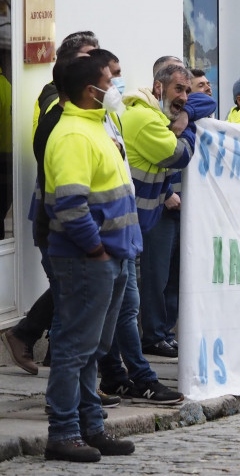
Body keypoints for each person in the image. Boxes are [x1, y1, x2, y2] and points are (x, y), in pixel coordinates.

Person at [43, 55, 140, 462]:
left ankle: (91, 426)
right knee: (73, 348)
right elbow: (69, 205)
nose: (114, 87)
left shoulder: (97, 127)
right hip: (89, 259)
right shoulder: (72, 136)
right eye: (109, 80)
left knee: (93, 348)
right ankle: (63, 432)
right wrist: (97, 250)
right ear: (91, 90)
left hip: (112, 257)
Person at [88, 50, 185, 405]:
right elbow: (177, 155)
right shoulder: (134, 118)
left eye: (117, 77)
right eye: (109, 78)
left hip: (123, 230)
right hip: (109, 234)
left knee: (120, 311)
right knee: (118, 312)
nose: (115, 85)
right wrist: (94, 243)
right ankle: (132, 379)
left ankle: (115, 377)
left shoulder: (111, 117)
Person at [2, 31, 100, 375]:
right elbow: (49, 150)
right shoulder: (55, 102)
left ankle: (41, 347)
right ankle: (38, 346)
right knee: (71, 290)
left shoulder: (86, 105)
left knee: (69, 290)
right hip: (57, 213)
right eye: (92, 57)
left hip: (72, 212)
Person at [120, 63, 206, 358]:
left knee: (128, 300)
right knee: (129, 299)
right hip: (125, 223)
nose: (184, 95)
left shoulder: (159, 114)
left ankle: (125, 366)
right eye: (178, 89)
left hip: (138, 222)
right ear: (158, 88)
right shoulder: (146, 118)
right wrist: (190, 130)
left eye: (186, 89)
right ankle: (131, 363)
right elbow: (178, 155)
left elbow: (206, 101)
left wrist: (187, 115)